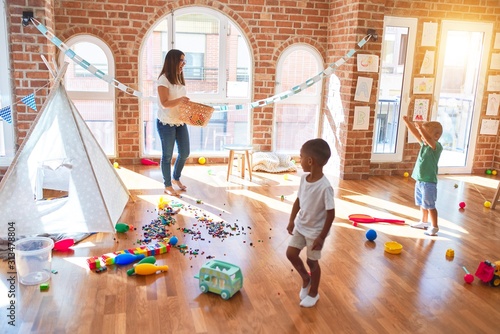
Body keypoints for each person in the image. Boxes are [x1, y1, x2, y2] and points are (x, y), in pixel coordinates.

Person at [286, 138, 335, 307]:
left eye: (300, 157)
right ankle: (306, 278)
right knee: (291, 254)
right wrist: (292, 220)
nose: (299, 161)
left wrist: (321, 237)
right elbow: (298, 201)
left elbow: (331, 214)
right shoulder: (303, 179)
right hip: (301, 226)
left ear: (310, 161)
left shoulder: (325, 187)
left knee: (312, 262)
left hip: (315, 232)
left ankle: (314, 293)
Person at [157, 49, 191, 196]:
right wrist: (180, 100)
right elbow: (164, 103)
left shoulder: (179, 77)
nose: (183, 64)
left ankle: (176, 178)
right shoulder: (163, 79)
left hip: (180, 122)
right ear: (173, 61)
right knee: (167, 156)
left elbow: (179, 102)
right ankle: (167, 185)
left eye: (184, 61)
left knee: (185, 152)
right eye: (181, 60)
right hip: (166, 123)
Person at [402, 116, 443, 236]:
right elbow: (416, 134)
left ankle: (434, 227)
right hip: (420, 180)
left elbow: (429, 139)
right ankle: (424, 222)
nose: (422, 137)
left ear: (436, 136)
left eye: (424, 134)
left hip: (429, 182)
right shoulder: (424, 145)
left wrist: (420, 128)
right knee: (422, 203)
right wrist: (408, 123)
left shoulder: (436, 147)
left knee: (430, 205)